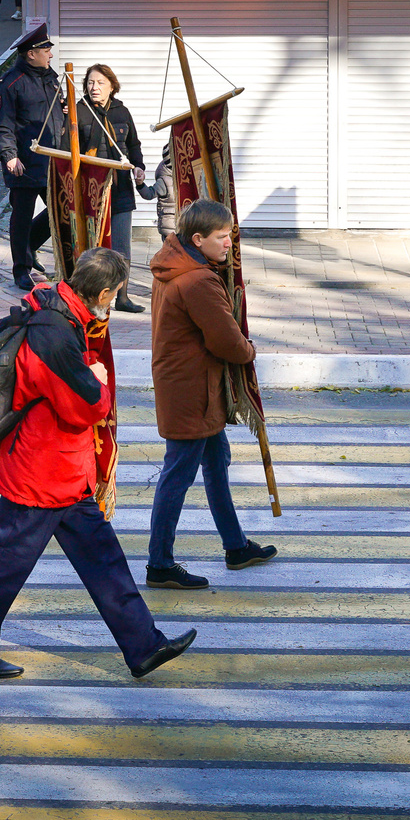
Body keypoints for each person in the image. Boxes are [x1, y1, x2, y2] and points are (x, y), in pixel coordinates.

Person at [0, 247, 193, 681]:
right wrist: (96, 380)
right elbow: (87, 406)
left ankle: (143, 646)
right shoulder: (55, 334)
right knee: (5, 565)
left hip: (63, 470)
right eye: (115, 294)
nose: (114, 302)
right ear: (101, 291)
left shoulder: (58, 306)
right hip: (39, 475)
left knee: (104, 559)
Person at [143, 199, 274, 587]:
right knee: (177, 476)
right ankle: (159, 565)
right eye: (222, 237)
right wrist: (249, 349)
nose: (228, 244)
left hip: (190, 385)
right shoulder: (197, 279)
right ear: (198, 239)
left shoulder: (175, 265)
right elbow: (226, 341)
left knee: (217, 462)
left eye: (230, 235)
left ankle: (235, 546)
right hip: (193, 390)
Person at [47, 64, 149, 312]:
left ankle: (122, 297)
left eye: (101, 83)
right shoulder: (78, 112)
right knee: (93, 247)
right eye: (91, 83)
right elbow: (64, 151)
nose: (95, 88)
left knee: (122, 247)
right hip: (91, 190)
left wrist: (139, 167)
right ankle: (92, 298)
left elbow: (133, 145)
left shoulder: (121, 111)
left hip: (121, 186)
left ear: (112, 86)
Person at [0, 26, 58, 290]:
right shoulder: (10, 83)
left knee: (58, 213)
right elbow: (1, 124)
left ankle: (28, 246)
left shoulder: (50, 77)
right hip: (24, 162)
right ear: (31, 54)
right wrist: (9, 156)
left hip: (52, 161)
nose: (50, 54)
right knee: (22, 216)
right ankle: (21, 269)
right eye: (45, 50)